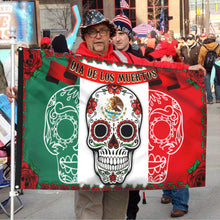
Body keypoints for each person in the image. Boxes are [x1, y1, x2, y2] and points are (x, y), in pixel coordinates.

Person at [74, 10, 205, 220]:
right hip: (89, 150)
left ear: (109, 34)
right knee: (89, 208)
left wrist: (186, 69)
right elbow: (44, 82)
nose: (98, 36)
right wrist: (20, 89)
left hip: (123, 151)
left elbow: (155, 69)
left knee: (117, 209)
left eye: (102, 31)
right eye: (92, 32)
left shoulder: (122, 59)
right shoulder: (72, 63)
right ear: (85, 37)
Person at [149, 41, 189, 218]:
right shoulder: (160, 71)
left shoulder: (183, 72)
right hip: (159, 121)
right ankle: (167, 192)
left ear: (171, 56)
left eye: (162, 57)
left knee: (178, 163)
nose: (158, 62)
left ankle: (180, 202)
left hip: (179, 121)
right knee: (163, 157)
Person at [112, 14, 142, 220]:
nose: (117, 38)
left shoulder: (140, 60)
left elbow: (163, 72)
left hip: (132, 127)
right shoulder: (102, 58)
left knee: (132, 182)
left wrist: (187, 70)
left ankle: (131, 215)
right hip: (108, 125)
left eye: (122, 33)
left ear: (130, 36)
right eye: (114, 34)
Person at [198, 33, 220, 104]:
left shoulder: (203, 47)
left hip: (206, 67)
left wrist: (200, 66)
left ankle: (210, 99)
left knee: (207, 83)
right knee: (217, 82)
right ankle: (218, 98)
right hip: (216, 66)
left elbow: (200, 58)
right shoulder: (218, 46)